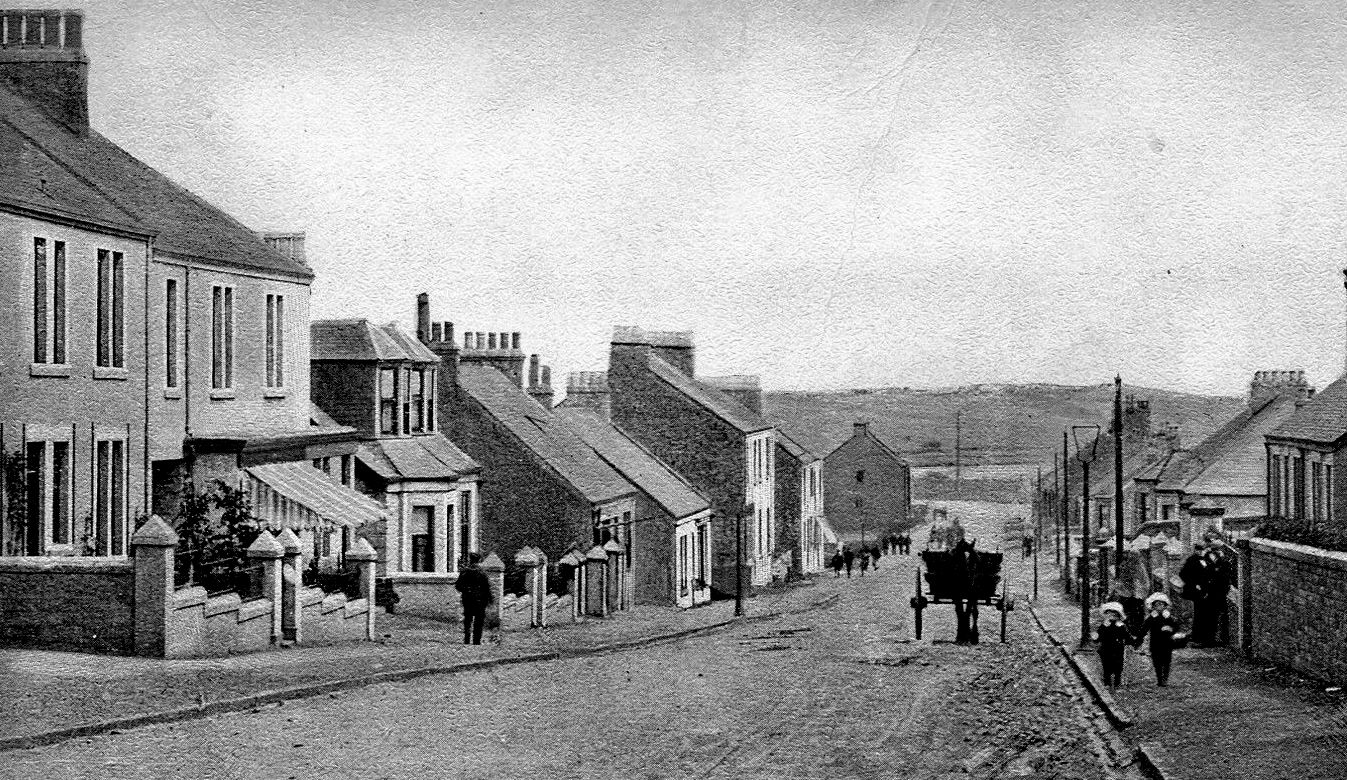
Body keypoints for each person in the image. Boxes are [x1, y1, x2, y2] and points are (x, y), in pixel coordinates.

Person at [1136, 592, 1185, 686]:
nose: (1159, 606)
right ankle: (1159, 679)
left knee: (1166, 661)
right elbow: (1144, 629)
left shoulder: (1168, 617)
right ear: (1153, 606)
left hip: (1167, 643)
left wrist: (1171, 629)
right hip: (1155, 643)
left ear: (1165, 606)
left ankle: (1165, 678)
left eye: (1162, 604)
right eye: (1157, 604)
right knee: (1157, 662)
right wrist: (1138, 640)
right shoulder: (1151, 618)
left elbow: (1176, 627)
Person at [454, 552, 493, 645]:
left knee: (468, 619)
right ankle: (476, 641)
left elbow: (458, 586)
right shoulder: (482, 572)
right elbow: (487, 587)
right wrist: (489, 599)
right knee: (479, 620)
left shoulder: (465, 572)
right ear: (479, 560)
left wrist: (467, 590)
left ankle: (467, 639)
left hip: (467, 599)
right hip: (480, 600)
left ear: (470, 560)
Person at [1094, 601, 1134, 690]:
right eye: (1109, 613)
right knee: (1106, 666)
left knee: (1118, 667)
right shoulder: (1104, 625)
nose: (1111, 616)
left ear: (1118, 615)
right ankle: (1107, 682)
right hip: (1105, 649)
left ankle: (1117, 683)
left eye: (1114, 614)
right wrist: (1096, 637)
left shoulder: (1121, 626)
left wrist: (1131, 642)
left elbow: (1127, 636)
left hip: (1118, 649)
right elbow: (1098, 636)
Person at [1179, 542, 1212, 646]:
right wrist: (1194, 584)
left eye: (1202, 550)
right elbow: (1183, 574)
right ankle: (1197, 637)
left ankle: (1202, 636)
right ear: (1196, 550)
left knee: (1202, 613)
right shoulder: (1192, 560)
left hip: (1204, 590)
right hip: (1196, 591)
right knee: (1199, 613)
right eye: (1199, 550)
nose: (1201, 552)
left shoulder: (1206, 560)